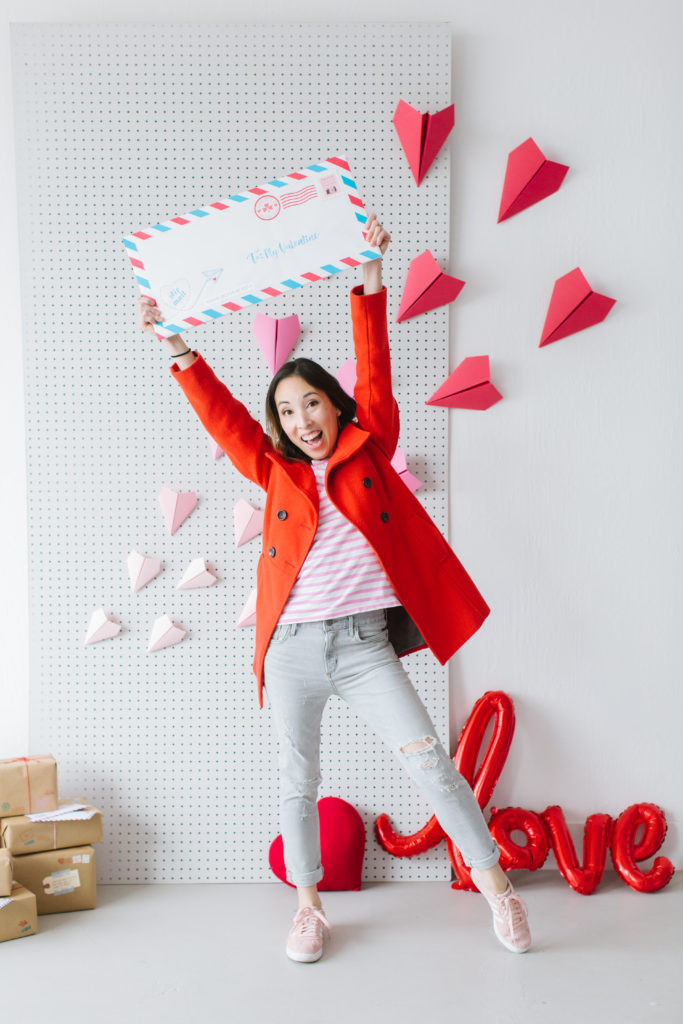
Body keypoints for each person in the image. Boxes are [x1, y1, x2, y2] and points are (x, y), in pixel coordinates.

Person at [139, 213, 531, 962]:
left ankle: (498, 892)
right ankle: (309, 909)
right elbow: (221, 418)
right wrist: (176, 342)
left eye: (312, 403)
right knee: (297, 782)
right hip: (289, 647)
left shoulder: (368, 445)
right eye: (287, 412)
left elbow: (373, 365)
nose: (303, 420)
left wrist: (370, 280)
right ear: (278, 426)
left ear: (334, 405)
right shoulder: (274, 470)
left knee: (429, 764)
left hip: (362, 646)